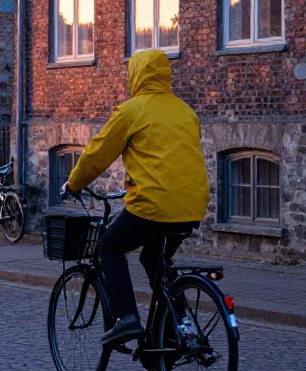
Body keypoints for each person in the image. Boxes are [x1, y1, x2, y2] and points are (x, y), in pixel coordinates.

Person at [61, 49, 210, 347]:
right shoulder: (185, 111)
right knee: (155, 259)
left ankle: (126, 318)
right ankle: (174, 335)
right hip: (192, 204)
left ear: (136, 75)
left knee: (109, 246)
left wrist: (74, 184)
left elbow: (97, 154)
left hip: (153, 203)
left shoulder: (132, 110)